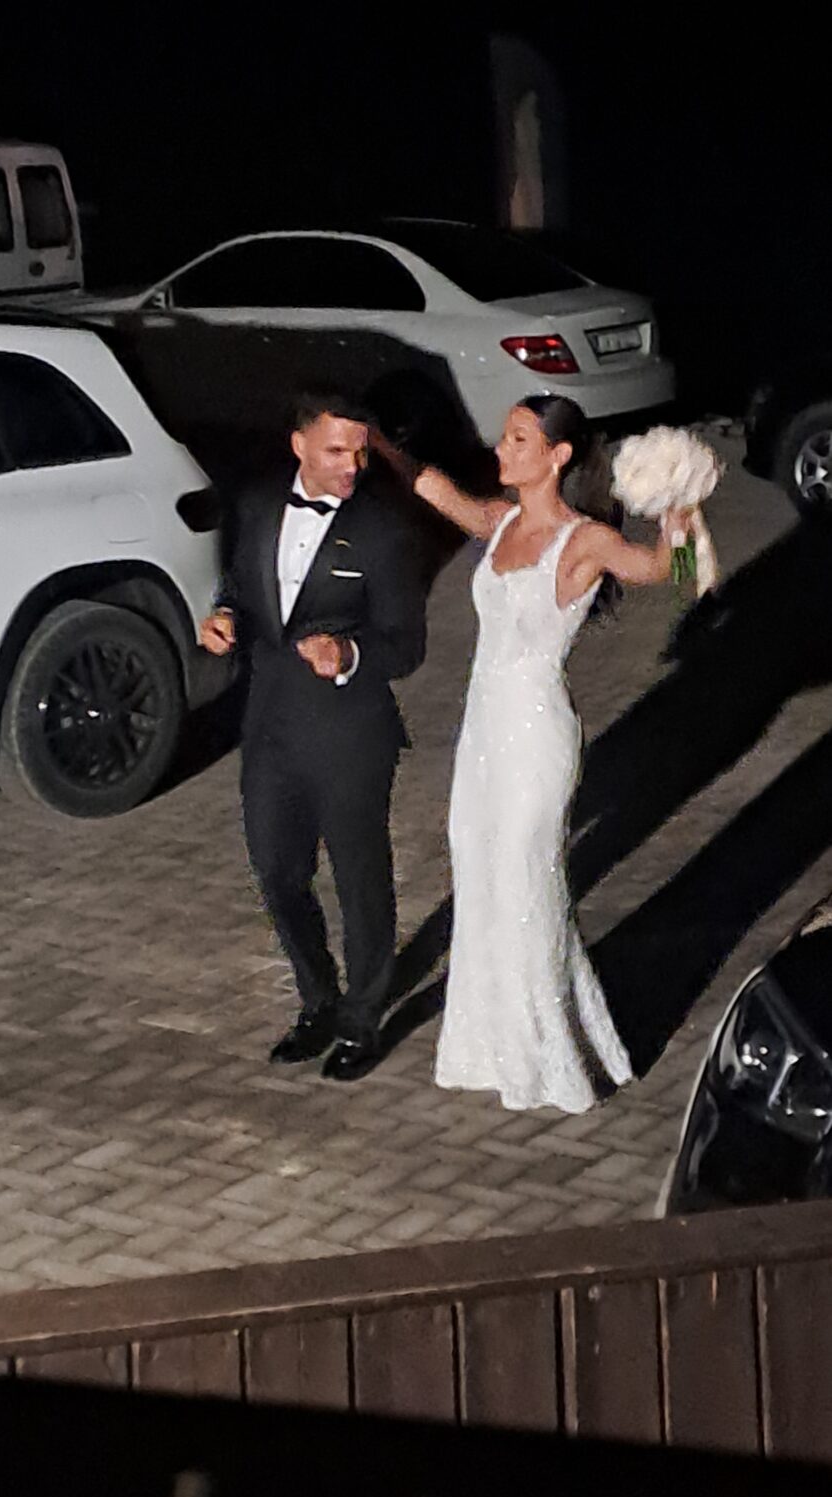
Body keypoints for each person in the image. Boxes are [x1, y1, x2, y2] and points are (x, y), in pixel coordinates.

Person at [371, 395, 691, 1113]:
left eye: (518, 439)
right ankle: (489, 1045)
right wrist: (379, 443)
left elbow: (660, 570)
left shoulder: (583, 541)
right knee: (480, 873)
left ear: (557, 456)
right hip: (482, 733)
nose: (501, 448)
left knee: (527, 881)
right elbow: (432, 487)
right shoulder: (500, 521)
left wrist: (680, 513)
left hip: (536, 734)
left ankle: (551, 1053)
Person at [200, 394, 427, 1082]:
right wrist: (225, 617)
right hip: (270, 726)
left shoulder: (384, 530)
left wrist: (349, 653)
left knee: (360, 881)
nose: (352, 465)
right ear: (298, 445)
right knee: (276, 871)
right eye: (335, 451)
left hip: (350, 732)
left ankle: (362, 1020)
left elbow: (407, 646)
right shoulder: (257, 504)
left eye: (360, 451)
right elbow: (243, 588)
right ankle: (318, 1000)